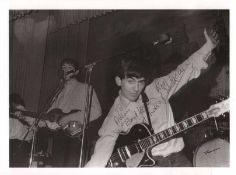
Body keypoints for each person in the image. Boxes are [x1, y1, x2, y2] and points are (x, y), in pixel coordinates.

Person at [85, 28, 221, 167]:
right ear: (119, 81)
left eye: (141, 82)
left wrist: (208, 46)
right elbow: (102, 150)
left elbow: (184, 70)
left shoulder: (155, 89)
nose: (136, 88)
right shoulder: (115, 114)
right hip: (151, 165)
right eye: (131, 81)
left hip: (179, 158)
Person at [45, 58, 102, 167]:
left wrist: (71, 117)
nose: (65, 70)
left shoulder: (86, 88)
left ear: (76, 72)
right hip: (59, 135)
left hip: (77, 135)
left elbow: (97, 111)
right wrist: (26, 117)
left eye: (69, 67)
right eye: (63, 68)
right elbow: (48, 114)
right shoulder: (58, 91)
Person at [9, 93, 36, 167]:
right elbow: (35, 131)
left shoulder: (12, 112)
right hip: (24, 147)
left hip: (14, 146)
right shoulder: (31, 115)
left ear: (12, 103)